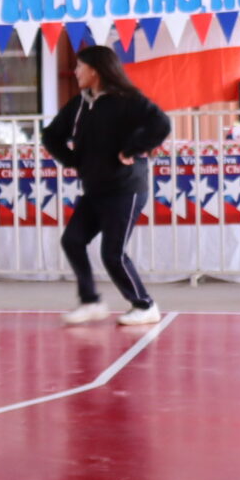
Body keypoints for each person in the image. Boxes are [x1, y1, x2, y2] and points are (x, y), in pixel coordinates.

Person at [43, 43, 171, 329]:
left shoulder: (128, 100)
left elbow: (161, 123)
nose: (75, 71)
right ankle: (91, 302)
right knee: (73, 240)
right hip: (95, 188)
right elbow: (51, 135)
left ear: (95, 71)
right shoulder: (80, 104)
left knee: (112, 253)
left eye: (80, 66)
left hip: (126, 188)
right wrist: (72, 160)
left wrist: (132, 149)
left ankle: (145, 305)